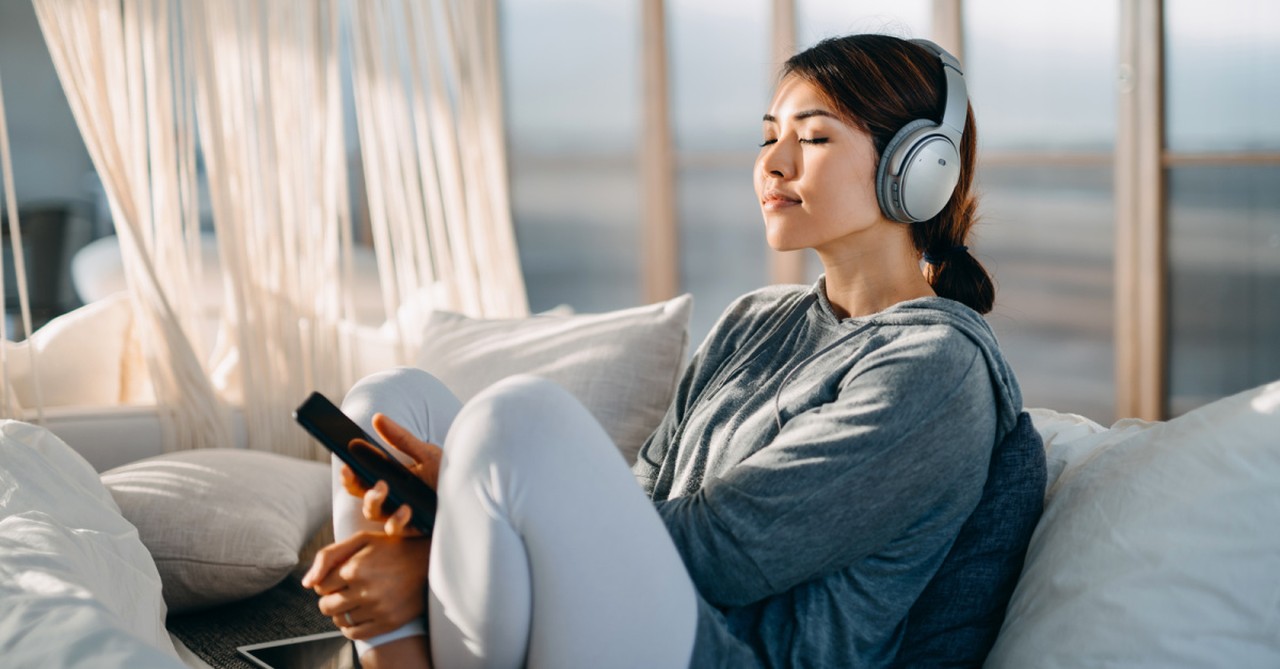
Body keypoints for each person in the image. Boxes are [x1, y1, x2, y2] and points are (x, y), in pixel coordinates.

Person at [302, 34, 1044, 668]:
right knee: (383, 402)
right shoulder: (758, 318)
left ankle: (428, 595)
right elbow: (644, 485)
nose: (774, 163)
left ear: (919, 171)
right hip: (639, 615)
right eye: (768, 136)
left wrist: (447, 545)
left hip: (729, 651)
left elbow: (726, 551)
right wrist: (469, 509)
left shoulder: (936, 369)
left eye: (813, 138)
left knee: (514, 420)